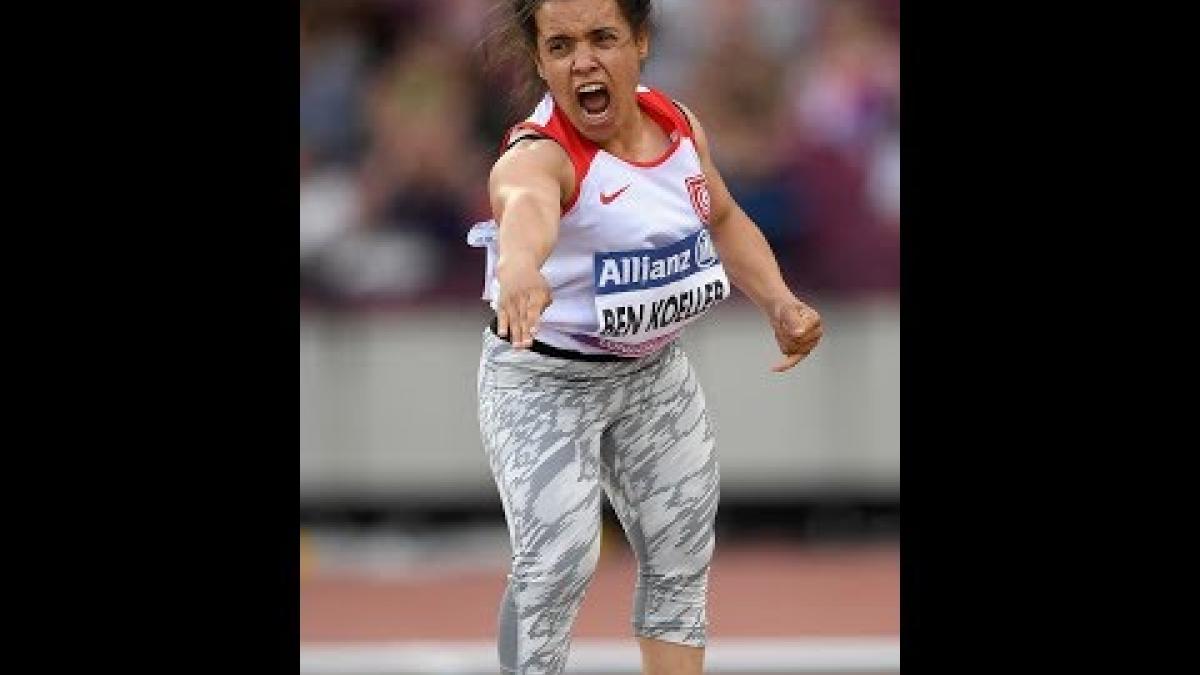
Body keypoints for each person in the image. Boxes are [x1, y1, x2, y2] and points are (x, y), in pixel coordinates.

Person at [468, 1, 822, 672]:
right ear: (542, 62)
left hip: (653, 376)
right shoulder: (540, 156)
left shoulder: (676, 124)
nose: (584, 62)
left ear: (641, 43)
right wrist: (517, 265)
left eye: (603, 38)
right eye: (562, 46)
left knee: (681, 554)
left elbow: (722, 216)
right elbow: (523, 208)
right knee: (558, 560)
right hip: (545, 382)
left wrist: (779, 301)